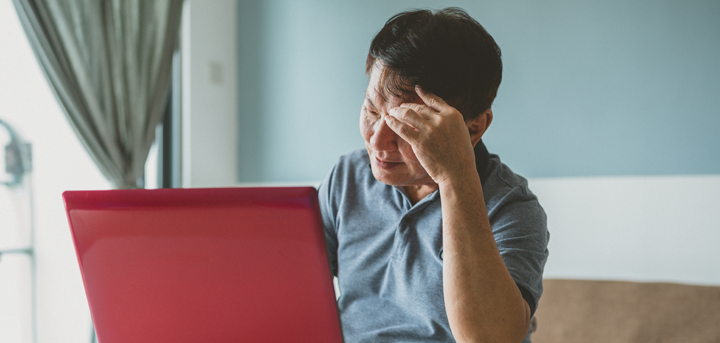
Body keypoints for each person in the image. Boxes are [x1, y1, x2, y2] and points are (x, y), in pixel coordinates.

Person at [318, 7, 549, 343]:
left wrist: (455, 179)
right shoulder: (347, 177)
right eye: (370, 109)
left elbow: (491, 338)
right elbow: (289, 289)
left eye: (407, 126)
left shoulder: (512, 208)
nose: (377, 142)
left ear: (472, 128)